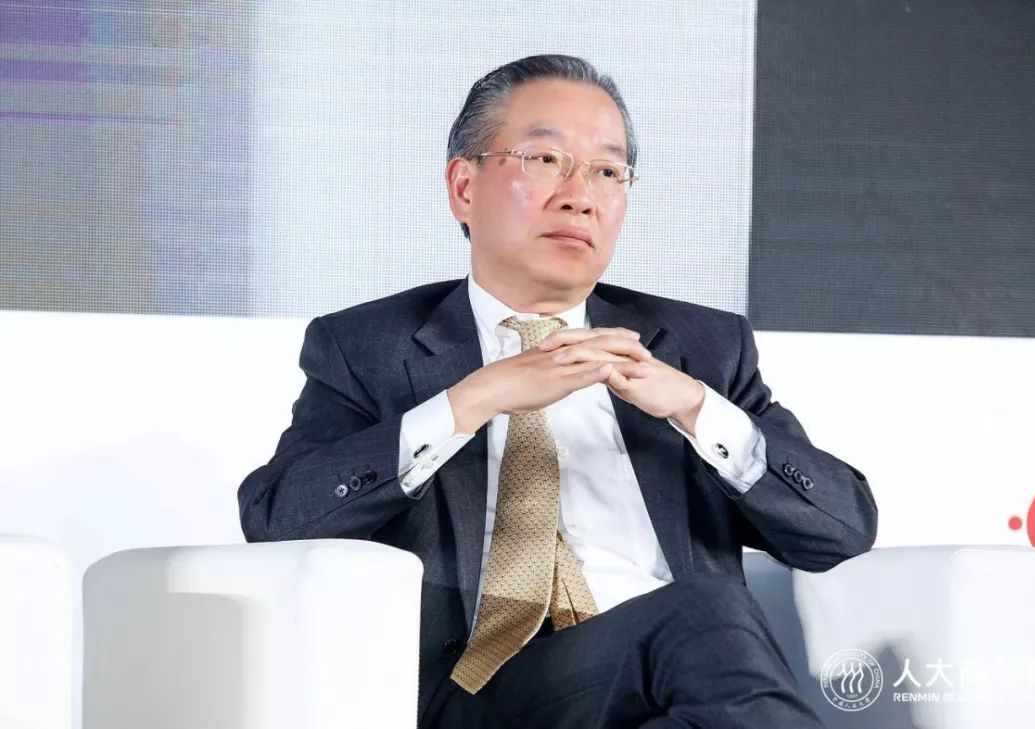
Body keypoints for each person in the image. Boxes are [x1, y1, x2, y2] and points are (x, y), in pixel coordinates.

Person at [238, 54, 877, 729]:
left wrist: (696, 407)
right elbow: (279, 521)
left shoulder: (701, 347)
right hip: (481, 696)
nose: (580, 195)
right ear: (464, 187)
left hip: (679, 686)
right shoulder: (369, 346)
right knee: (706, 608)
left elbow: (841, 531)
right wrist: (470, 401)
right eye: (544, 160)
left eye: (607, 171)